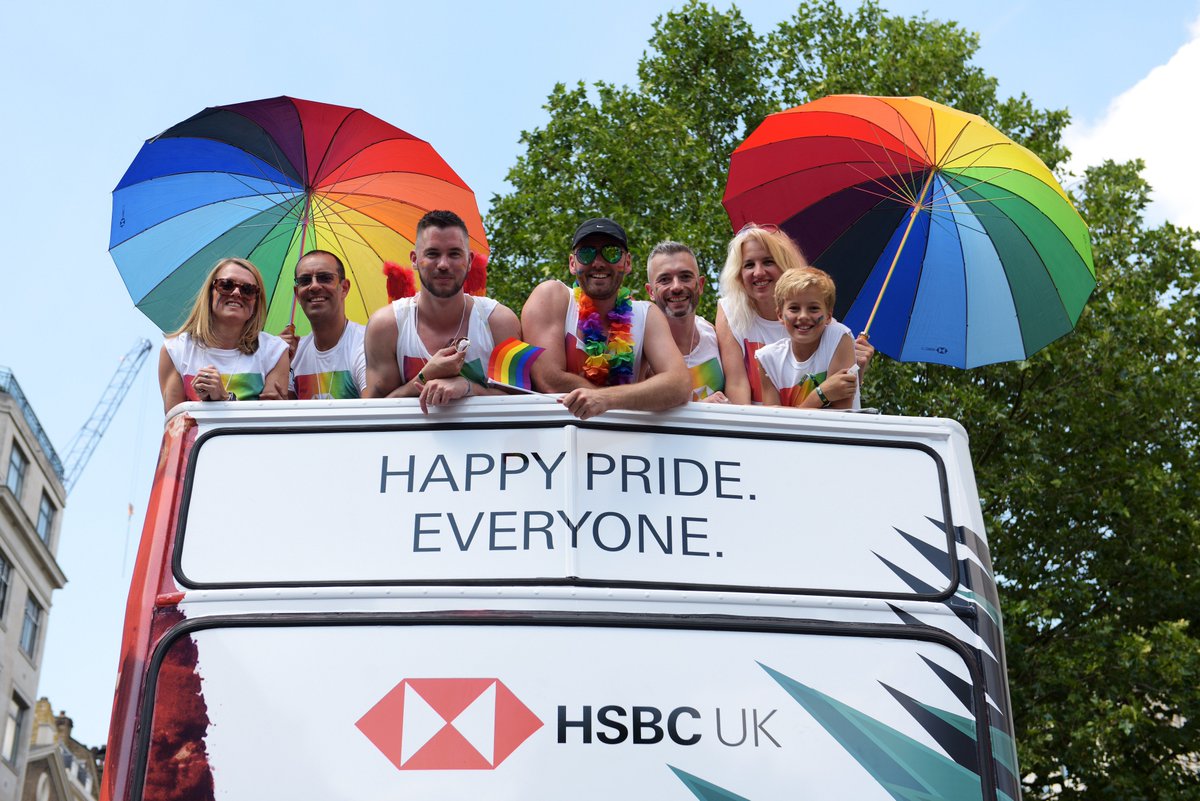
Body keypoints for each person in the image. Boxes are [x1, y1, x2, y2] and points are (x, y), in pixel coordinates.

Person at [521, 217, 691, 419]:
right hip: (557, 442)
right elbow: (549, 380)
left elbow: (680, 384)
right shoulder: (552, 296)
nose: (599, 263)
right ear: (572, 263)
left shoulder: (646, 314)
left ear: (627, 263)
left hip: (625, 444)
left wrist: (606, 400)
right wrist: (631, 396)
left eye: (611, 253)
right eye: (586, 253)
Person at [363, 210, 521, 412]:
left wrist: (467, 387)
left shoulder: (498, 322)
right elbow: (373, 413)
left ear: (470, 260)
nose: (444, 264)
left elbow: (523, 402)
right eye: (432, 254)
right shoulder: (386, 326)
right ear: (414, 259)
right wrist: (424, 377)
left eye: (454, 254)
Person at [715, 224, 873, 404]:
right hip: (763, 425)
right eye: (749, 265)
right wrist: (744, 430)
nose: (758, 272)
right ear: (738, 274)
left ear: (785, 265)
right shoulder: (730, 311)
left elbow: (840, 402)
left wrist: (856, 371)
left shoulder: (830, 330)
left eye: (768, 261)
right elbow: (737, 384)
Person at [158, 257, 289, 413]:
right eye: (226, 285)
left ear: (256, 301)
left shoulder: (274, 351)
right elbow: (175, 427)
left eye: (248, 290)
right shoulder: (176, 350)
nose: (236, 293)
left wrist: (224, 399)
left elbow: (270, 423)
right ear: (210, 293)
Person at [755, 267, 860, 410]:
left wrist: (793, 413)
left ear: (829, 315)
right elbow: (774, 425)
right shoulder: (768, 359)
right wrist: (820, 394)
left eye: (813, 308)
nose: (803, 316)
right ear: (780, 315)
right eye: (794, 308)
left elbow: (839, 416)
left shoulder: (839, 337)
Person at [643, 241, 728, 403]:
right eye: (665, 279)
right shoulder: (642, 351)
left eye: (685, 277)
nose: (676, 287)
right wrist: (700, 408)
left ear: (701, 285)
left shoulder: (713, 334)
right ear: (650, 292)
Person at [279, 250, 366, 399]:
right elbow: (281, 415)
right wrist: (278, 365)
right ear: (297, 293)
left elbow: (371, 412)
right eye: (305, 281)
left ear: (344, 288)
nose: (313, 286)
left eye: (325, 278)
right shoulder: (293, 354)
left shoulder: (365, 344)